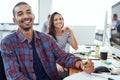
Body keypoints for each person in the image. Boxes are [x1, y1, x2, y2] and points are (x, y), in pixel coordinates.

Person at [0, 2, 94, 80]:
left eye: (29, 12)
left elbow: (64, 57)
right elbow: (14, 76)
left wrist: (81, 64)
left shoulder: (47, 39)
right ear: (14, 20)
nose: (26, 16)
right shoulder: (8, 42)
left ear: (33, 16)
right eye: (20, 14)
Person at [48, 12, 78, 79]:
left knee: (76, 68)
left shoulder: (66, 33)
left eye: (61, 19)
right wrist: (56, 64)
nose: (59, 21)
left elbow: (75, 47)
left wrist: (71, 32)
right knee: (63, 74)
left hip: (63, 59)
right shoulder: (48, 35)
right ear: (52, 22)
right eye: (55, 20)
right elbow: (46, 54)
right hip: (52, 61)